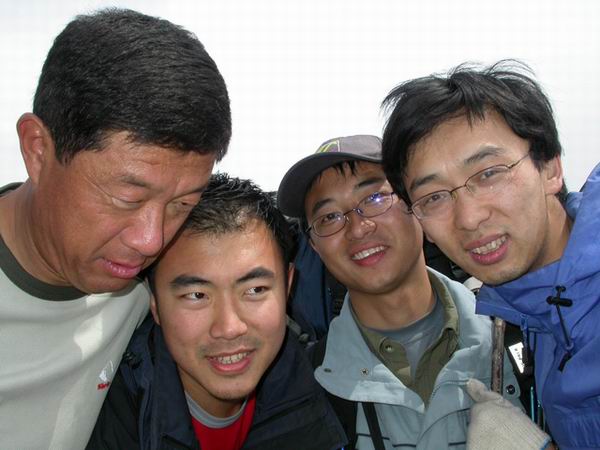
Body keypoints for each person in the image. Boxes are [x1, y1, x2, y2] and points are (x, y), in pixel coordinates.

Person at [0, 8, 231, 449]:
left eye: (183, 204)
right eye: (127, 198)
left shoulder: (158, 282)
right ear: (38, 149)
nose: (151, 240)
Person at [381, 60, 599, 449]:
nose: (469, 218)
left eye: (489, 174)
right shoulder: (535, 311)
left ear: (550, 168)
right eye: (434, 197)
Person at [277, 135, 521, 450]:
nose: (358, 228)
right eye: (329, 217)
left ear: (415, 204)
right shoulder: (304, 390)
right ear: (314, 246)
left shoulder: (522, 335)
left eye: (374, 198)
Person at [87, 173, 347, 450]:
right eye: (197, 295)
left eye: (255, 290)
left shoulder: (326, 388)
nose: (229, 327)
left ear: (287, 287)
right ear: (155, 304)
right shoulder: (99, 417)